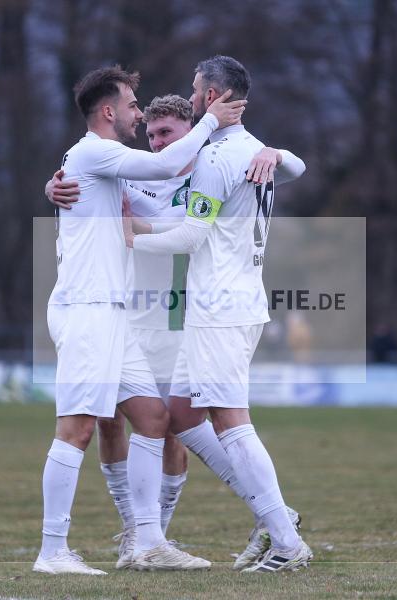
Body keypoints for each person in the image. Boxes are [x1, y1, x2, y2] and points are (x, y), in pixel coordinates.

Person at [46, 93, 306, 569]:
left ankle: (204, 525)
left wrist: (275, 152)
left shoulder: (206, 173)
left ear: (193, 135)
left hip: (178, 318)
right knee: (119, 421)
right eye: (152, 133)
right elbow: (86, 176)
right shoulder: (137, 169)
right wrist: (54, 186)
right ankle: (141, 534)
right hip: (125, 311)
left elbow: (187, 236)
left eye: (167, 134)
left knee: (172, 425)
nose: (157, 140)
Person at [35, 65, 246, 576]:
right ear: (109, 110)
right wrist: (211, 121)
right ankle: (53, 551)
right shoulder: (94, 150)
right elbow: (166, 162)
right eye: (132, 104)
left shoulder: (95, 159)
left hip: (115, 316)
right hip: (87, 309)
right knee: (78, 428)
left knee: (152, 418)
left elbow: (167, 175)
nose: (138, 111)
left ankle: (147, 543)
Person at [126, 56, 313, 573]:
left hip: (220, 307)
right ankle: (274, 515)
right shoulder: (254, 149)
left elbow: (190, 236)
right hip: (232, 302)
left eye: (193, 90)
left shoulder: (217, 158)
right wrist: (280, 152)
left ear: (211, 97)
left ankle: (286, 539)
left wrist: (126, 239)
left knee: (233, 422)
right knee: (182, 415)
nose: (189, 98)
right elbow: (298, 167)